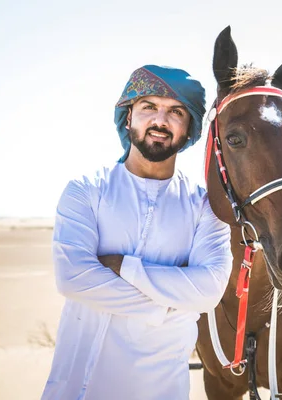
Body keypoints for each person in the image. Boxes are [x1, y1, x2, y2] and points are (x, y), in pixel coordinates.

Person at [41, 65, 233, 400]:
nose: (160, 121)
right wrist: (170, 306)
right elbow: (73, 278)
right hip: (80, 387)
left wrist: (124, 268)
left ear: (190, 129)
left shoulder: (205, 207)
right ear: (128, 117)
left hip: (163, 389)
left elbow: (209, 291)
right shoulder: (87, 191)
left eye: (176, 112)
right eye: (148, 107)